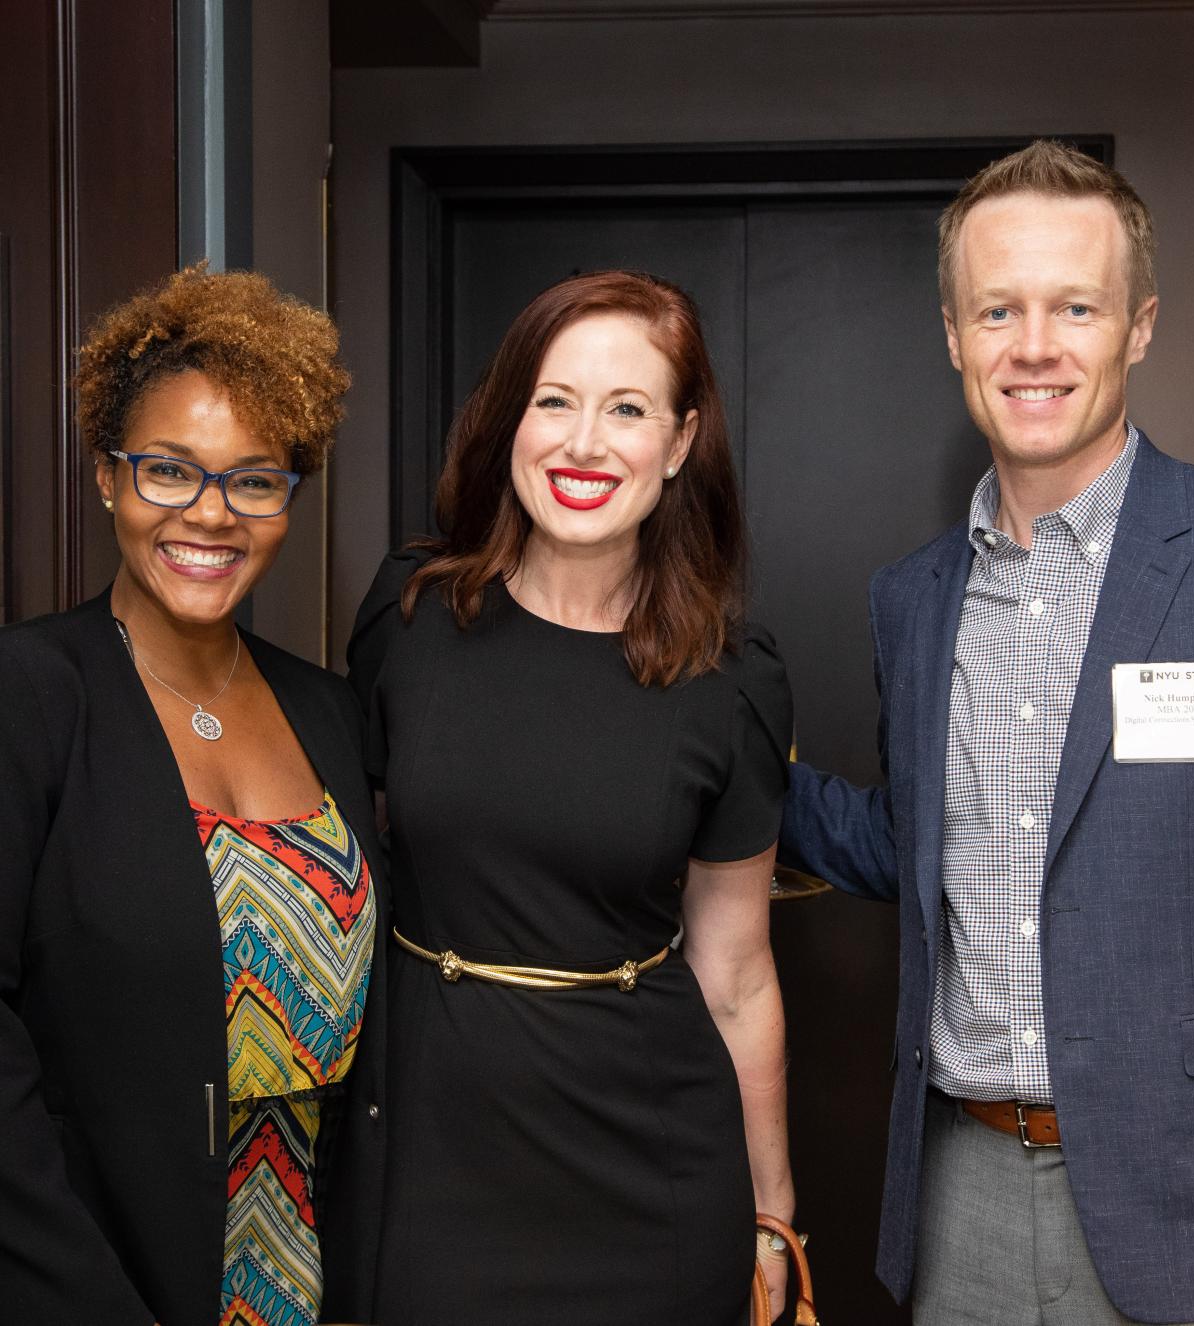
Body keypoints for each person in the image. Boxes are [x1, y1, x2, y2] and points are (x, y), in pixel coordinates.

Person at [780, 139, 1194, 1326]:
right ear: (952, 334)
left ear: (1137, 326)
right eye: (997, 308)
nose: (1032, 346)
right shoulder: (911, 597)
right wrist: (716, 752)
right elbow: (921, 843)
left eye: (1073, 307)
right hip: (960, 1192)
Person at [349, 270, 794, 1325]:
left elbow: (734, 975)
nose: (583, 443)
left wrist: (773, 1215)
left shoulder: (733, 678)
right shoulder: (406, 617)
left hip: (654, 1171)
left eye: (627, 410)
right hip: (433, 1158)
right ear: (510, 420)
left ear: (679, 444)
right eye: (554, 401)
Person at [0, 266, 387, 1326]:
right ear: (106, 477)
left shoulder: (330, 714)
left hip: (307, 1266)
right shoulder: (32, 694)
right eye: (169, 471)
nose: (210, 515)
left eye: (255, 480)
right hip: (99, 1273)